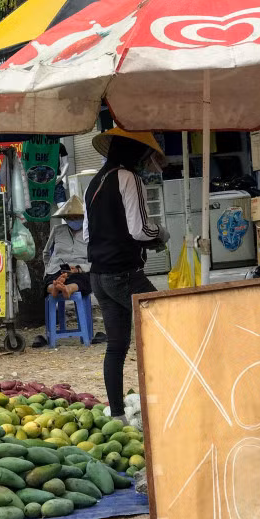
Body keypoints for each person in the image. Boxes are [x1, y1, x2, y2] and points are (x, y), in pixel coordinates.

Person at [85, 128, 169, 421]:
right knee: (166, 329)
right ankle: (164, 404)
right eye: (145, 155)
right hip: (124, 273)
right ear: (136, 153)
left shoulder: (93, 182)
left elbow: (87, 234)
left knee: (117, 346)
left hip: (99, 276)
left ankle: (118, 414)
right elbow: (140, 229)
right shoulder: (128, 178)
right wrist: (161, 232)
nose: (147, 161)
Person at [43, 195, 91, 299]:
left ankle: (69, 289)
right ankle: (54, 288)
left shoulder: (90, 232)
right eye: (70, 217)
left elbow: (95, 258)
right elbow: (46, 253)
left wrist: (78, 269)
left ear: (84, 217)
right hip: (57, 268)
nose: (73, 220)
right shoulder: (57, 230)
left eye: (77, 217)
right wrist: (48, 268)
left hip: (80, 269)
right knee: (49, 280)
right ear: (65, 218)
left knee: (83, 280)